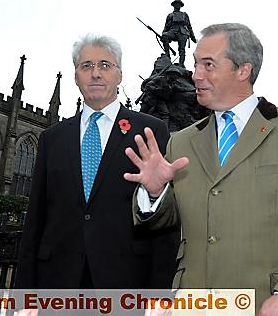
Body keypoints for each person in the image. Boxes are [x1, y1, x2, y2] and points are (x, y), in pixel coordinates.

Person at [124, 23, 278, 315]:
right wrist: (154, 194)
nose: (195, 75)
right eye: (195, 64)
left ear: (243, 70)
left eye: (208, 64)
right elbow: (166, 222)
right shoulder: (180, 142)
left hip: (267, 304)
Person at [15, 34, 180, 291]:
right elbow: (36, 219)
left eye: (105, 65)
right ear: (76, 77)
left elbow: (164, 227)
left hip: (125, 280)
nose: (95, 74)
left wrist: (159, 295)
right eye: (86, 66)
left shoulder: (149, 130)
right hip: (57, 281)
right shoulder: (52, 138)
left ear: (120, 75)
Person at [160, 0, 196, 66]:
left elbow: (189, 26)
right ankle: (167, 56)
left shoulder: (184, 15)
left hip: (183, 32)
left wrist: (192, 37)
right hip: (173, 31)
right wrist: (163, 34)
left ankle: (181, 64)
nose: (178, 5)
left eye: (179, 4)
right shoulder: (170, 15)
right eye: (176, 4)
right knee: (165, 36)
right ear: (173, 5)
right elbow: (166, 26)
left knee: (181, 49)